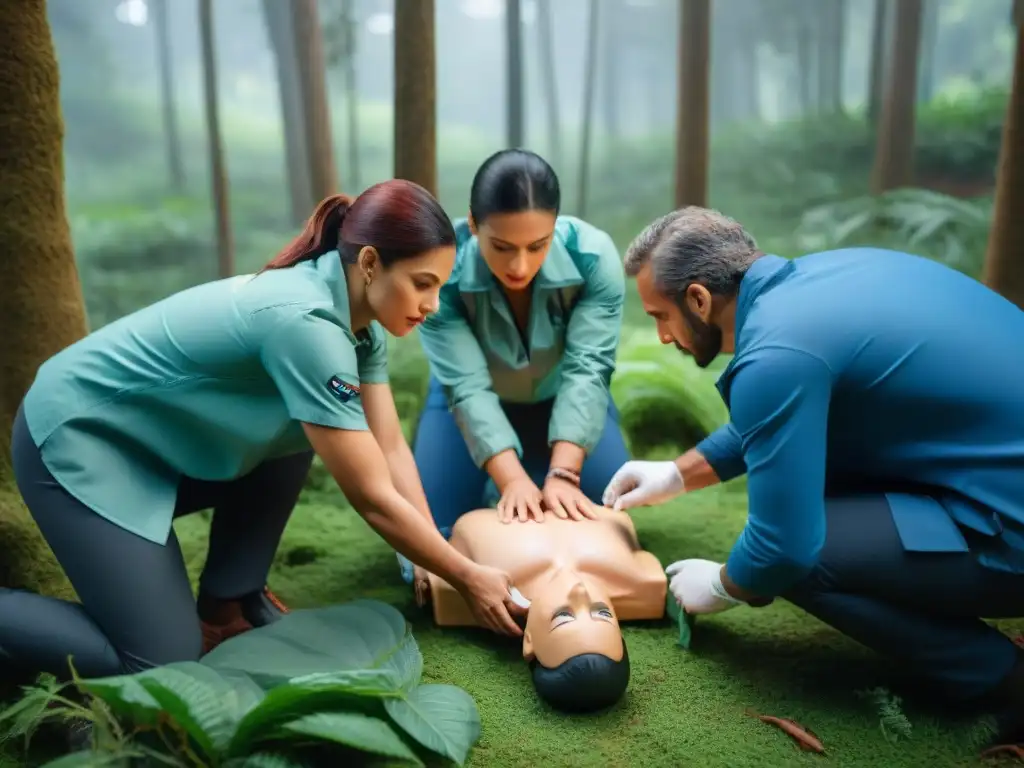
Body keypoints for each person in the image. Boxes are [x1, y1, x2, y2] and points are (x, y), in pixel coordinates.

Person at [6, 179, 526, 687]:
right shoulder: (307, 326)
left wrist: (429, 557)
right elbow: (371, 495)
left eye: (440, 286)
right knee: (159, 664)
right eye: (422, 283)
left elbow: (388, 446)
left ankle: (228, 604)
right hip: (80, 438)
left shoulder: (360, 323)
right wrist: (466, 575)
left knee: (309, 426)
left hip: (157, 441)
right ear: (370, 263)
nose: (433, 304)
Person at [601, 206, 1024, 747]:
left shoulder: (777, 352)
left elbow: (782, 550)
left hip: (1010, 523)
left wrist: (725, 584)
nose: (662, 336)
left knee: (804, 557)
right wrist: (676, 474)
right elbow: (784, 414)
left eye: (661, 316)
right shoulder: (825, 279)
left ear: (699, 300)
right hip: (993, 476)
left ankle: (1004, 680)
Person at [399, 148, 630, 584]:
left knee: (607, 515)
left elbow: (588, 369)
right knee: (429, 544)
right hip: (463, 405)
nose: (519, 266)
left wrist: (564, 473)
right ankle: (503, 479)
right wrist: (510, 479)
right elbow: (466, 386)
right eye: (502, 247)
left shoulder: (593, 257)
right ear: (473, 225)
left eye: (537, 246)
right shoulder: (440, 269)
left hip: (564, 401)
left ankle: (537, 471)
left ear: (556, 226)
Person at [421, 505, 666, 713]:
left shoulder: (481, 584)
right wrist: (563, 474)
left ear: (529, 641)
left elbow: (437, 559)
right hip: (585, 490)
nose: (580, 591)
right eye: (602, 612)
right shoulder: (638, 579)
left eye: (564, 615)